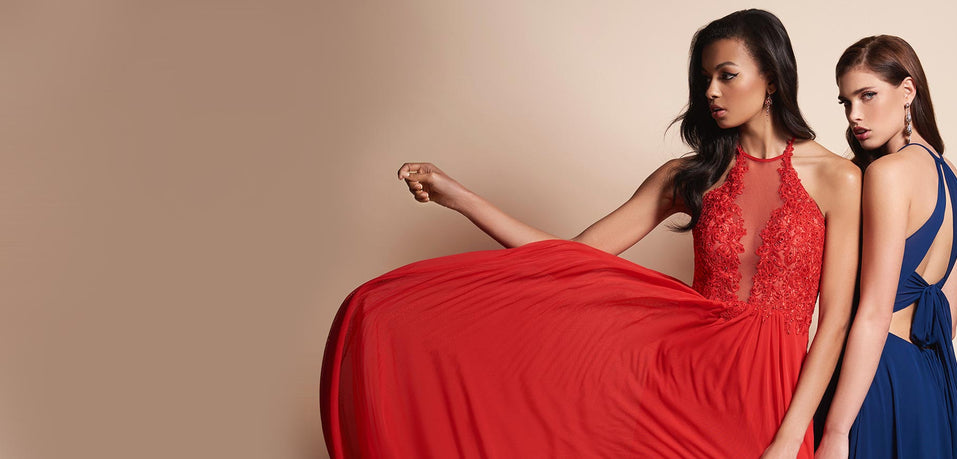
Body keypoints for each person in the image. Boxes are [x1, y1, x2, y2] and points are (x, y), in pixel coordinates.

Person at [321, 9, 860, 458]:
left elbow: (834, 321)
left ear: (771, 76)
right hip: (679, 391)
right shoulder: (687, 177)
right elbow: (567, 258)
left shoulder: (839, 179)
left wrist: (791, 439)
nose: (711, 91)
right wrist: (461, 197)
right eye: (704, 79)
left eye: (726, 74)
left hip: (773, 400)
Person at [815, 35, 957, 458]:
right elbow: (948, 318)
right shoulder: (954, 179)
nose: (855, 115)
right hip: (931, 385)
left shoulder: (888, 174)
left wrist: (835, 431)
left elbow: (873, 312)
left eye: (868, 96)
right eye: (846, 102)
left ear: (907, 91)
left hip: (874, 378)